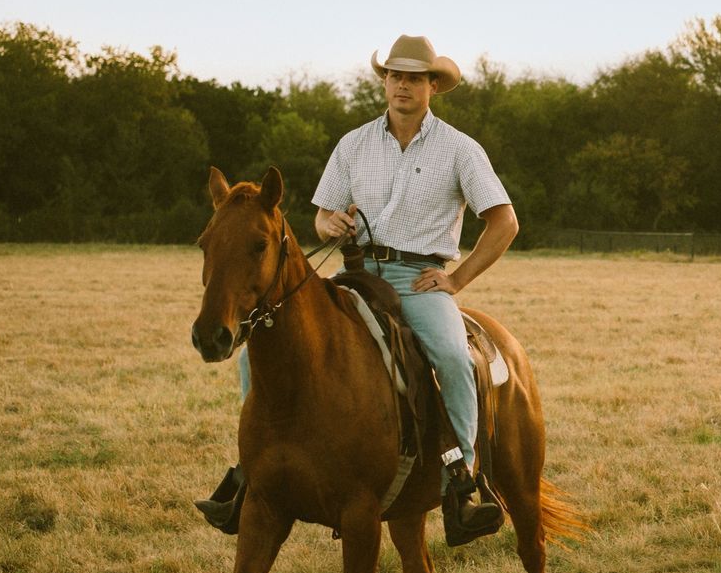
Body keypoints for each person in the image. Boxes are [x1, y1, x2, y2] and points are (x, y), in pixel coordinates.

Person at [196, 36, 518, 545]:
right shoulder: (354, 144)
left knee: (454, 357)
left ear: (433, 85)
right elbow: (322, 215)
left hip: (419, 281)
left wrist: (456, 279)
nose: (402, 85)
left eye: (414, 77)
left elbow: (505, 223)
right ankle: (250, 471)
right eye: (395, 76)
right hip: (356, 274)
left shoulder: (460, 150)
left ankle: (463, 481)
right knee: (254, 343)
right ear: (384, 82)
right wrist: (330, 225)